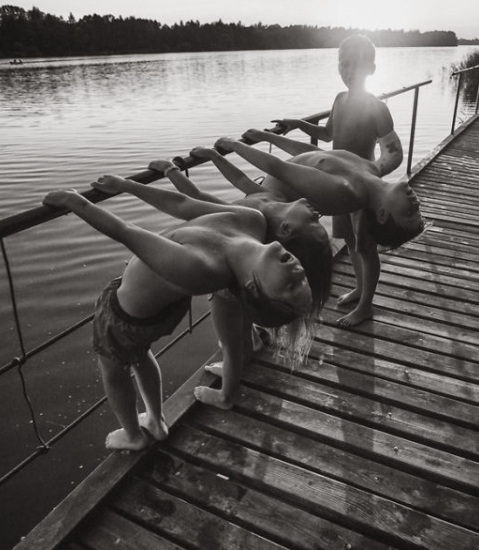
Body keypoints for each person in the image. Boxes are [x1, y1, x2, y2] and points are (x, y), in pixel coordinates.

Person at [43, 182, 315, 450]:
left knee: (113, 372)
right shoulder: (252, 220)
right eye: (305, 281)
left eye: (291, 287)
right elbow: (182, 204)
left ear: (253, 288)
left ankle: (134, 435)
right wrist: (128, 185)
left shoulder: (202, 268)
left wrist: (75, 202)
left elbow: (125, 231)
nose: (299, 273)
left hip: (124, 314)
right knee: (139, 355)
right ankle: (156, 420)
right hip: (156, 306)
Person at [145, 151, 333, 409]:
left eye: (313, 219)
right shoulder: (273, 203)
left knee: (230, 343)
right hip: (244, 278)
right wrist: (214, 155)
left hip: (229, 288)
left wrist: (171, 171)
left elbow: (194, 201)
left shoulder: (261, 216)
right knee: (240, 328)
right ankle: (251, 346)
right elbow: (242, 180)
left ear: (286, 230)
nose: (316, 210)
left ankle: (226, 396)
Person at [216, 129, 426, 326]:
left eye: (408, 213)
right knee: (362, 246)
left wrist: (234, 145)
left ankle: (255, 332)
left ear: (381, 214)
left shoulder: (343, 191)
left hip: (276, 210)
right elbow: (312, 154)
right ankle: (361, 297)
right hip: (271, 199)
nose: (416, 203)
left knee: (242, 278)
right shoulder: (370, 170)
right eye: (417, 210)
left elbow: (278, 168)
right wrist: (268, 137)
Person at [272, 34, 403, 177]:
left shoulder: (376, 107)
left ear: (371, 69)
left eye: (358, 64)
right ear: (338, 66)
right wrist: (299, 124)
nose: (350, 71)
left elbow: (394, 155)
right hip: (336, 177)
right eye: (345, 64)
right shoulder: (339, 99)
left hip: (361, 182)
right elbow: (327, 134)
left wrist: (369, 176)